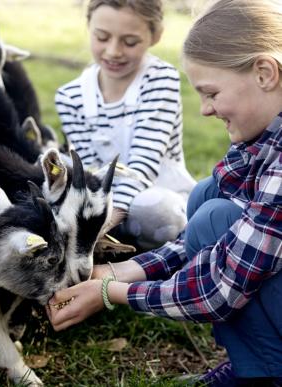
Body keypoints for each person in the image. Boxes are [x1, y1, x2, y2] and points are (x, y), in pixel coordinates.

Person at [48, 0, 282, 385]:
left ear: (264, 73)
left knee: (211, 218)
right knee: (208, 198)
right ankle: (253, 365)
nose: (205, 110)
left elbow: (218, 291)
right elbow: (226, 241)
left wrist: (112, 293)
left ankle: (267, 373)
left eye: (211, 93)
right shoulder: (262, 138)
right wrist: (120, 269)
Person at [55, 0, 196, 249]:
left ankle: (163, 256)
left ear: (156, 35)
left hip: (159, 196)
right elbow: (90, 172)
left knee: (156, 212)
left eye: (130, 42)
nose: (113, 51)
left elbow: (144, 163)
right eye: (101, 37)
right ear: (89, 27)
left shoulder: (160, 80)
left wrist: (101, 225)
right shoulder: (70, 97)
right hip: (104, 204)